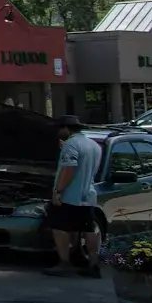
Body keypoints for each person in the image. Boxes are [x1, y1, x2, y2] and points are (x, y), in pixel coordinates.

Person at [46, 114, 102, 278]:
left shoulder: (71, 145)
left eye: (59, 129)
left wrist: (58, 191)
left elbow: (69, 170)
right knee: (88, 229)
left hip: (70, 196)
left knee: (59, 228)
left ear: (66, 128)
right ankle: (93, 263)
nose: (58, 132)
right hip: (88, 195)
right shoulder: (94, 145)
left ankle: (64, 263)